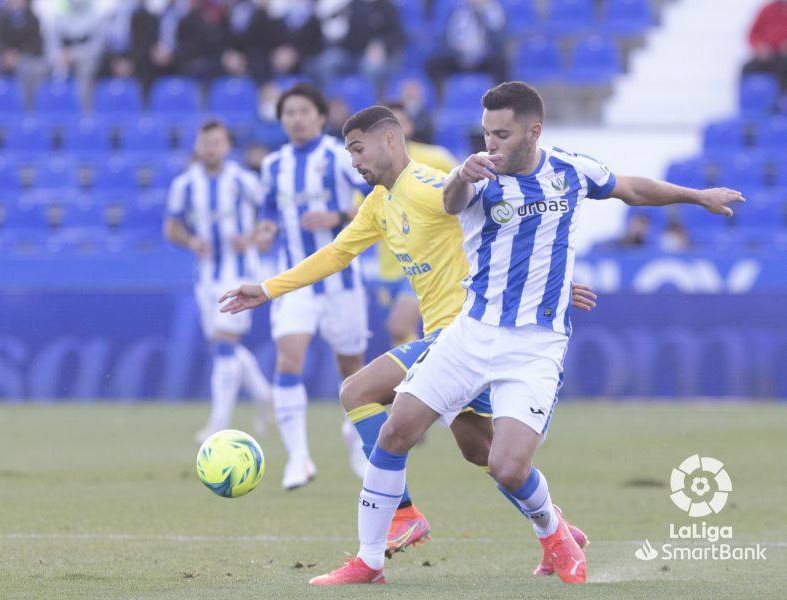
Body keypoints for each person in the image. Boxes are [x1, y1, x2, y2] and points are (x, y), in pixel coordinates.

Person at [300, 81, 744, 585]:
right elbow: (450, 202)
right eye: (486, 133)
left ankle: (555, 533)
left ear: (533, 131)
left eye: (503, 134)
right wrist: (461, 176)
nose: (491, 144)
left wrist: (696, 196)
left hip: (535, 346)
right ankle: (369, 561)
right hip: (470, 333)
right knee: (395, 429)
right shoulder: (478, 178)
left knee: (505, 466)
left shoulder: (570, 170)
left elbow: (630, 188)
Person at [220, 104, 596, 561]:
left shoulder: (429, 186)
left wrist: (547, 279)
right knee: (482, 452)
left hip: (467, 332)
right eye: (349, 153)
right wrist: (266, 288)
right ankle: (556, 527)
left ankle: (402, 513)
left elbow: (500, 219)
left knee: (358, 391)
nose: (354, 161)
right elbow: (336, 254)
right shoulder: (378, 203)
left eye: (358, 149)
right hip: (447, 334)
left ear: (390, 141)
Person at [252, 83, 371, 490]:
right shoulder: (273, 165)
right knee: (289, 360)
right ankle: (298, 458)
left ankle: (355, 440)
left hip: (342, 279)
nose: (296, 119)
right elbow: (269, 208)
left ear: (321, 117)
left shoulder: (340, 160)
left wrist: (337, 215)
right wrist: (266, 230)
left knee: (351, 370)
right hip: (295, 281)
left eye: (304, 111)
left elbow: (373, 199)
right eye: (289, 112)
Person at [163, 120, 271, 445]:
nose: (211, 148)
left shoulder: (244, 181)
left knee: (225, 345)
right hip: (207, 277)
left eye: (217, 142)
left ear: (227, 146)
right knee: (225, 345)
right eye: (206, 142)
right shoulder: (185, 185)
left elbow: (271, 215)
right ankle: (266, 396)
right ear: (198, 145)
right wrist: (191, 241)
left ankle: (218, 423)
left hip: (241, 275)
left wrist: (253, 237)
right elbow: (171, 227)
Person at [376, 101, 456, 347]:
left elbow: (466, 195)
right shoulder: (370, 168)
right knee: (400, 336)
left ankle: (423, 380)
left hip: (432, 263)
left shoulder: (437, 158)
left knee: (399, 326)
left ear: (409, 127)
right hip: (392, 264)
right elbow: (361, 211)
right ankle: (416, 382)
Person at [426, 0, 508, 87]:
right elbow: (449, 33)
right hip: (456, 55)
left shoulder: (490, 6)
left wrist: (484, 8)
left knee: (500, 63)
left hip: (482, 56)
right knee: (434, 64)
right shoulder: (457, 8)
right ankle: (442, 96)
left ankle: (499, 95)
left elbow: (497, 26)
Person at [0, 0, 46, 106]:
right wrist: (5, 53)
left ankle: (24, 106)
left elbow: (35, 44)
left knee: (27, 68)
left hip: (24, 57)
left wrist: (18, 55)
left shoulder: (33, 19)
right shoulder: (2, 17)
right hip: (4, 56)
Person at [741, 0, 787, 91]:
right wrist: (760, 47)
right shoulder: (767, 9)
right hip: (766, 55)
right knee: (748, 68)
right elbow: (752, 34)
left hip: (783, 57)